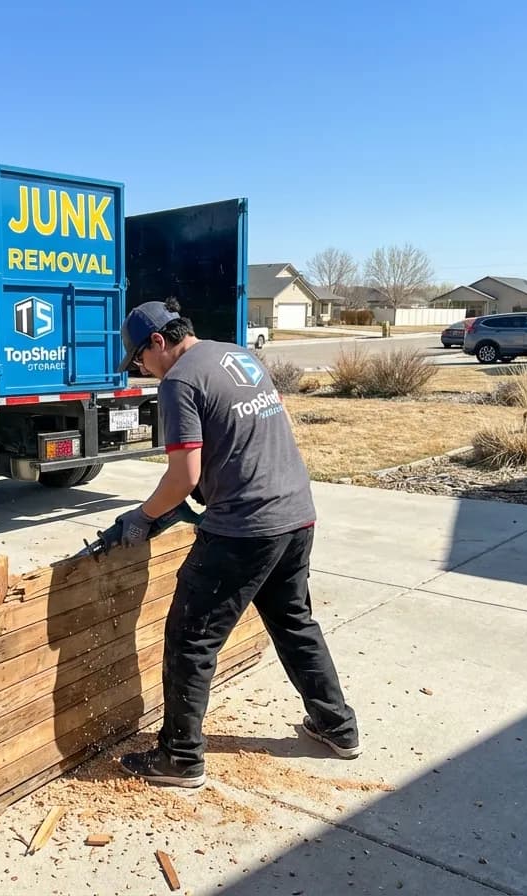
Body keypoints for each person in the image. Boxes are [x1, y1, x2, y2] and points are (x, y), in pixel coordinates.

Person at [112, 298, 360, 789]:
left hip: (247, 527)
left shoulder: (180, 380)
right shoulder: (239, 355)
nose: (142, 369)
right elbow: (268, 429)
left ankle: (180, 758)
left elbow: (184, 474)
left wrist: (143, 515)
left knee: (191, 636)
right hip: (296, 514)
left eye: (140, 359)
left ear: (159, 342)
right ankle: (338, 726)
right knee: (293, 621)